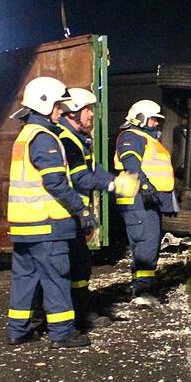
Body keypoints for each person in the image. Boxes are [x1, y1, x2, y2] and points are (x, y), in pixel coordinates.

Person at [5, 76, 94, 349]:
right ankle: (62, 332)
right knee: (56, 278)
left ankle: (17, 330)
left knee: (24, 278)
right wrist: (81, 208)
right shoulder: (45, 138)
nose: (60, 111)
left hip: (24, 225)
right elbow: (55, 183)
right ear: (43, 105)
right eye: (57, 105)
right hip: (47, 224)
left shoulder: (26, 135)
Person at [58, 87, 139, 330]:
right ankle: (74, 316)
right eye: (87, 110)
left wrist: (115, 180)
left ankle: (81, 311)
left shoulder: (79, 138)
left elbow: (94, 171)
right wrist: (114, 185)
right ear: (73, 112)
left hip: (71, 213)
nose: (92, 114)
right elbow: (80, 178)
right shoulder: (66, 140)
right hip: (65, 213)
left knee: (79, 265)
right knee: (70, 267)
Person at [114, 100, 178, 306]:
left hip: (146, 200)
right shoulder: (132, 137)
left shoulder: (146, 139)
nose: (156, 123)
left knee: (147, 244)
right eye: (153, 119)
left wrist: (167, 201)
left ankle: (142, 287)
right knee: (146, 245)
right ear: (140, 118)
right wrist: (144, 185)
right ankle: (143, 291)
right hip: (138, 199)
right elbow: (131, 164)